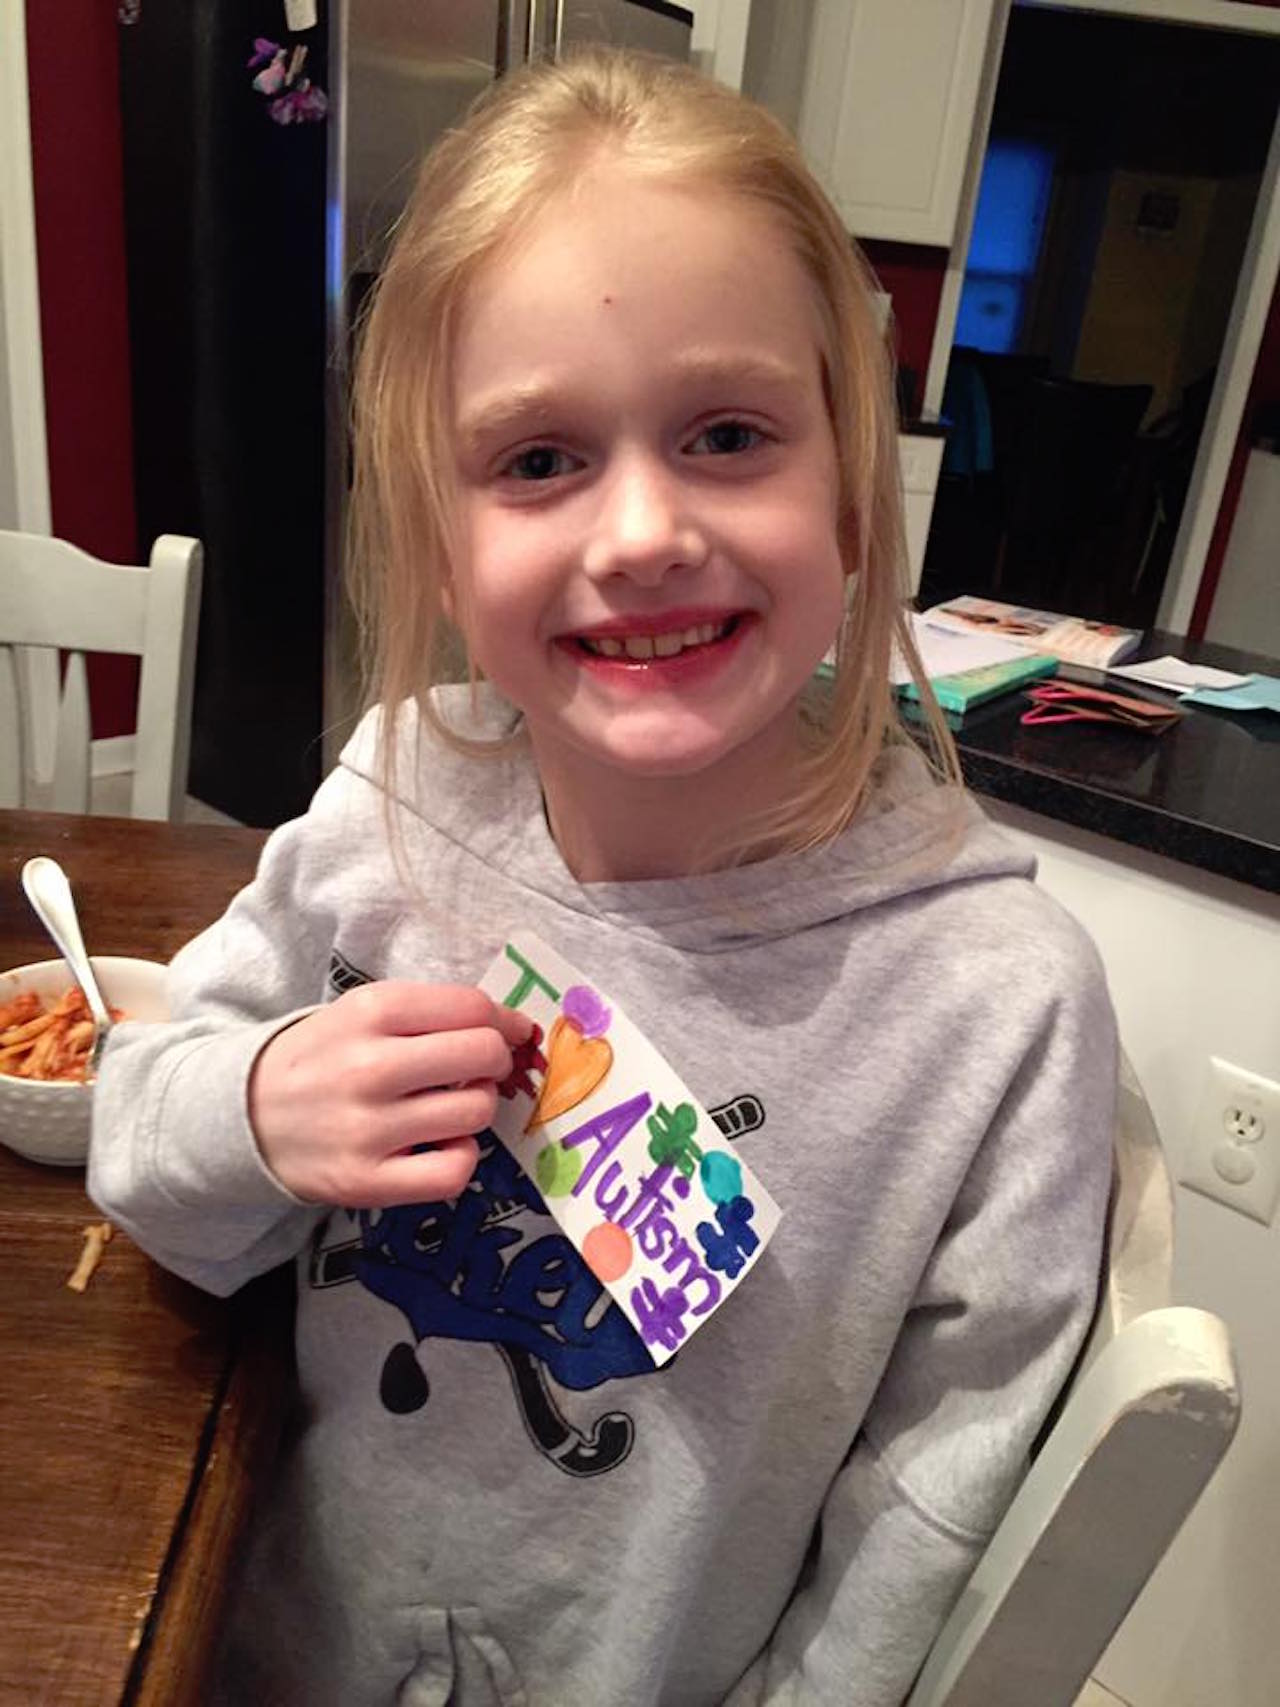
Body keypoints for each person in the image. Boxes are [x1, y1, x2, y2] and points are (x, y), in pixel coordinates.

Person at [89, 48, 1117, 1707]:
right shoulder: (388, 805)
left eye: (727, 433)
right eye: (539, 460)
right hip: (254, 1647)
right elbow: (152, 1156)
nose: (641, 530)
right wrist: (261, 1103)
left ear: (852, 489)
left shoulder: (999, 1009)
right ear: (437, 534)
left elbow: (927, 1518)